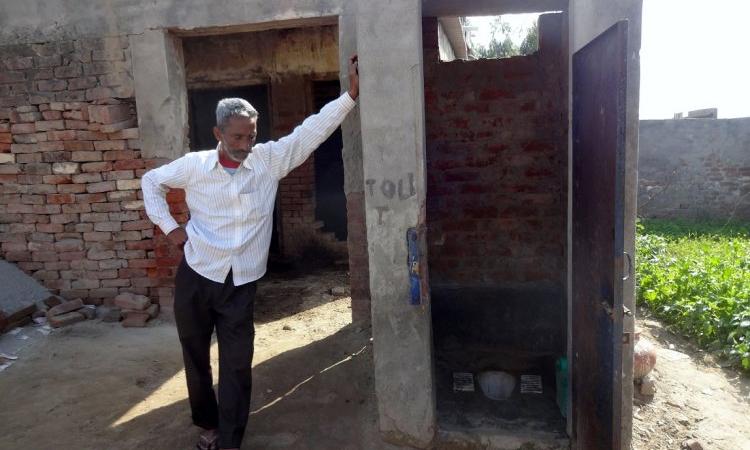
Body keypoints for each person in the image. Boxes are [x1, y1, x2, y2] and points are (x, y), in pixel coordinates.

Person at [141, 55, 360, 450]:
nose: (246, 145)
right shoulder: (194, 166)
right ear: (218, 133)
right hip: (197, 275)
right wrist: (171, 229)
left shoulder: (268, 161)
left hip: (241, 283)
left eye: (251, 136)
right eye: (238, 137)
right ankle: (207, 424)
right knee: (195, 355)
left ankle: (229, 440)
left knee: (238, 364)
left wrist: (350, 97)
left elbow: (309, 133)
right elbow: (151, 181)